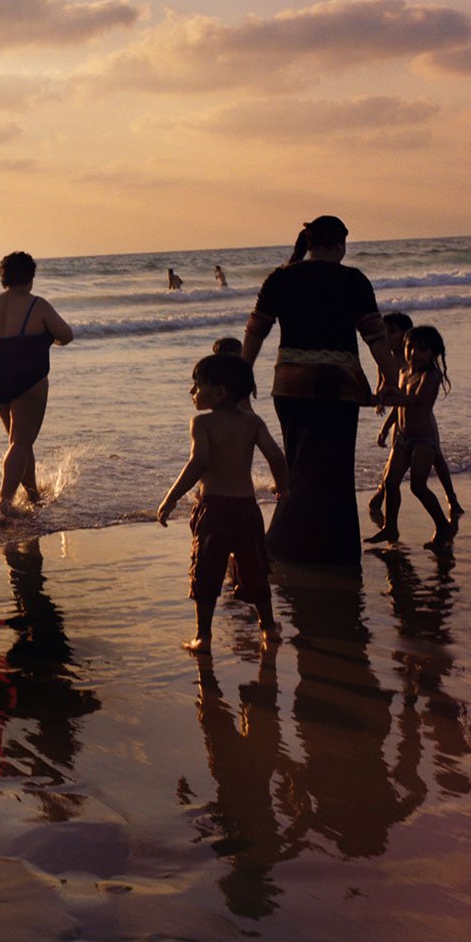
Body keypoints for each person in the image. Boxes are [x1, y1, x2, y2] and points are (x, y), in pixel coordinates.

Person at [241, 215, 399, 566]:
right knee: (333, 470)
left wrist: (243, 373)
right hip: (336, 389)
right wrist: (390, 378)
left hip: (289, 387)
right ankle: (314, 549)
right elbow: (375, 336)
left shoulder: (280, 278)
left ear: (309, 243)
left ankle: (296, 550)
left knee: (301, 464)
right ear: (341, 244)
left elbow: (255, 331)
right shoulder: (353, 280)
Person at [157, 354, 287, 653]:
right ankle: (268, 627)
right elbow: (277, 458)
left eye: (197, 385)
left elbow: (198, 462)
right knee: (254, 566)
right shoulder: (253, 422)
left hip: (213, 508)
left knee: (206, 569)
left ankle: (203, 637)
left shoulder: (201, 423)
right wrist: (284, 488)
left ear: (219, 392)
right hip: (245, 507)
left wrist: (171, 496)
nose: (192, 392)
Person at [0, 251, 74, 514]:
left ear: (3, 279)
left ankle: (32, 496)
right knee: (21, 441)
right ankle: (5, 499)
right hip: (29, 378)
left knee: (19, 440)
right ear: (30, 278)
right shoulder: (37, 305)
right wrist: (49, 340)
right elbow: (66, 334)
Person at [366, 326, 456, 549]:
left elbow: (414, 401)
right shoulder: (404, 373)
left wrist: (382, 398)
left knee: (418, 486)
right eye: (410, 347)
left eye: (422, 349)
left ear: (434, 353)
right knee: (390, 482)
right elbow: (399, 408)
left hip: (424, 440)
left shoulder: (431, 376)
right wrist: (386, 428)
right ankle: (391, 527)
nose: (414, 353)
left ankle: (442, 525)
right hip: (404, 438)